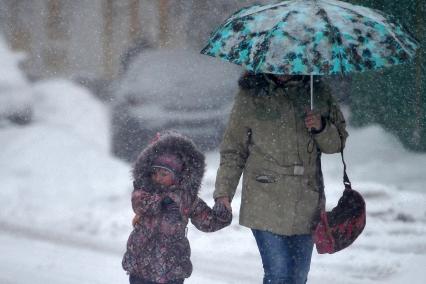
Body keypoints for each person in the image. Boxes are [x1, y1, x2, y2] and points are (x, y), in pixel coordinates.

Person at [214, 72, 348, 284]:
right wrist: (223, 194)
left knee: (298, 277)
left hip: (307, 201)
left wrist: (321, 127)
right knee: (278, 274)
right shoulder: (251, 94)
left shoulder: (317, 91)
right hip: (265, 199)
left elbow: (337, 143)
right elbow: (233, 150)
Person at [122, 131, 232, 284]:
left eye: (164, 174)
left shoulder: (186, 198)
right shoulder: (144, 191)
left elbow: (206, 221)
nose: (158, 178)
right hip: (142, 264)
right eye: (155, 173)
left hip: (172, 266)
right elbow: (140, 204)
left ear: (176, 176)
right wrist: (162, 201)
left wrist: (222, 212)